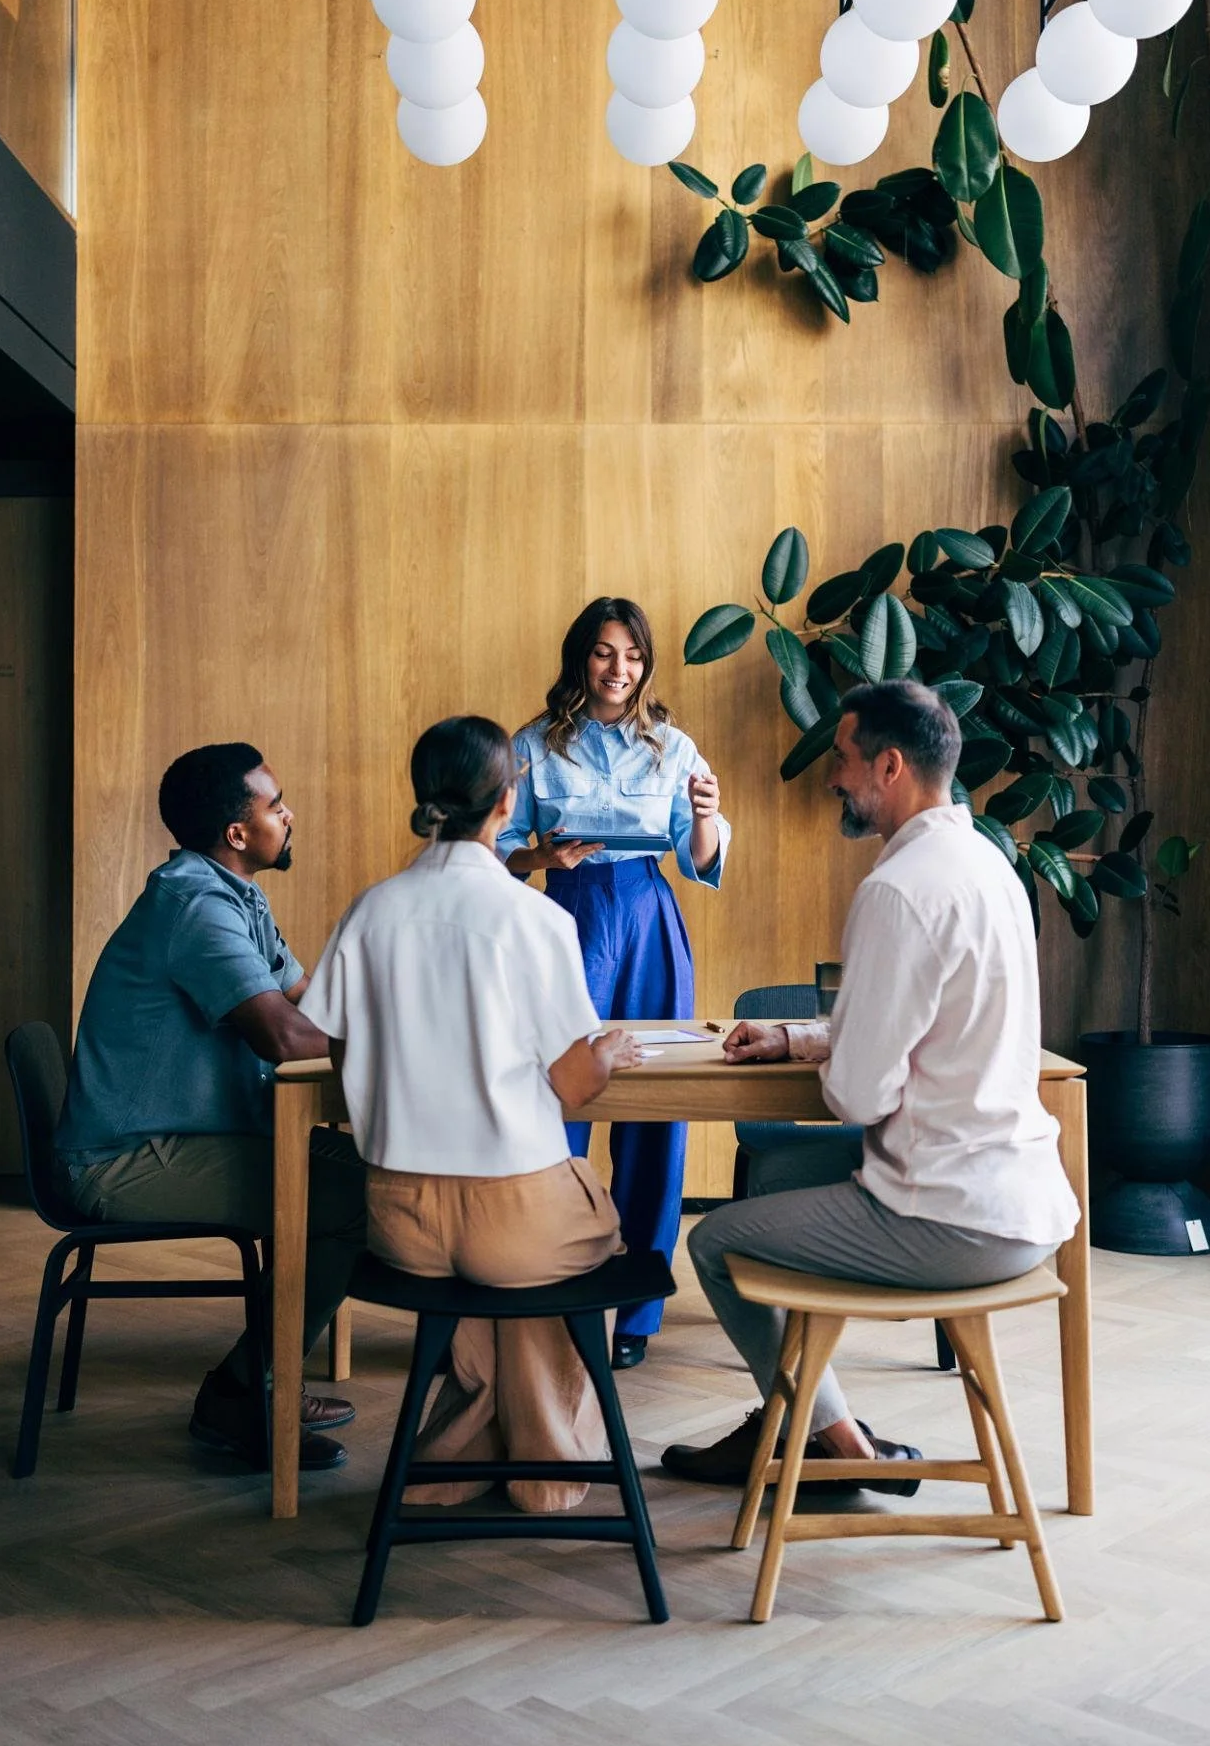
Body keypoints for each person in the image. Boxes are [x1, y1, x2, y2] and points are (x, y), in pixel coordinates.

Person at [661, 679, 1080, 1488]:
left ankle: (834, 1443)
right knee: (781, 1179)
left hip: (949, 1217)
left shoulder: (896, 889)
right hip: (1024, 1196)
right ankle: (797, 1418)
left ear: (890, 766)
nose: (834, 779)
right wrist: (802, 1037)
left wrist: (836, 1049)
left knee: (712, 1240)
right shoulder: (988, 864)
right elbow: (944, 1024)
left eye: (845, 760)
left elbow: (858, 1098)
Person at [300, 715, 642, 1512]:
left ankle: (466, 1442)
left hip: (398, 1222)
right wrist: (609, 1053)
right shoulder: (535, 920)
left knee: (483, 1282)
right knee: (571, 1237)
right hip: (515, 1222)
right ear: (507, 801)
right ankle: (548, 1466)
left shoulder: (369, 911)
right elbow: (573, 1088)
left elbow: (345, 1064)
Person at [57, 742, 367, 1472]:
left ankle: (267, 1376)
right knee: (355, 1198)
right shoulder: (194, 905)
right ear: (237, 833)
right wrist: (410, 1042)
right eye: (275, 803)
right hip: (124, 1159)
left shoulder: (235, 897)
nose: (288, 815)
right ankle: (239, 1393)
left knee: (365, 1172)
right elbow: (288, 1036)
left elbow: (306, 997)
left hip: (184, 1138)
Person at [498, 597, 730, 1369]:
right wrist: (538, 861)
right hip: (565, 918)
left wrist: (706, 815)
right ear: (580, 658)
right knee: (557, 1103)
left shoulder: (672, 745)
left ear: (646, 664)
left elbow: (698, 859)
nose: (618, 670)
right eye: (604, 653)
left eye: (632, 656)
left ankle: (636, 1312)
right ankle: (554, 1285)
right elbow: (493, 844)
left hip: (648, 916)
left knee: (657, 1112)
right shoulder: (531, 745)